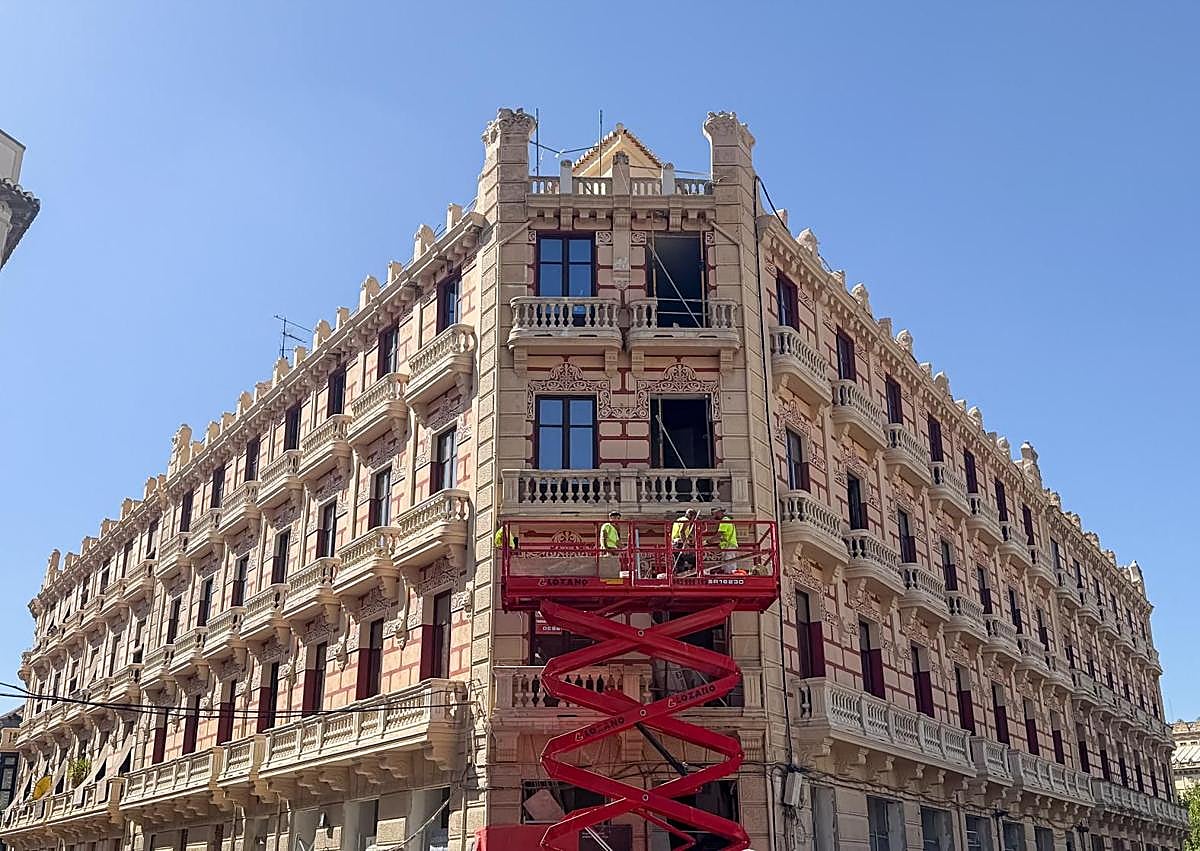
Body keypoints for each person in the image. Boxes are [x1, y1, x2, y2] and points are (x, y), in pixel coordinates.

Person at [708, 506, 739, 573]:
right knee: (726, 565)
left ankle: (730, 576)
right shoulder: (726, 520)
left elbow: (719, 534)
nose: (714, 517)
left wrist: (709, 541)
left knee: (729, 566)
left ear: (719, 512)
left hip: (729, 546)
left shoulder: (724, 520)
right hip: (727, 546)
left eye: (714, 514)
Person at [670, 508, 698, 574]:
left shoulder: (679, 520)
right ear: (691, 516)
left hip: (674, 544)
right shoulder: (686, 520)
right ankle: (695, 569)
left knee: (680, 561)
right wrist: (685, 544)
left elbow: (683, 533)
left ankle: (679, 573)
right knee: (694, 558)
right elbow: (682, 532)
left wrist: (690, 538)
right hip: (680, 544)